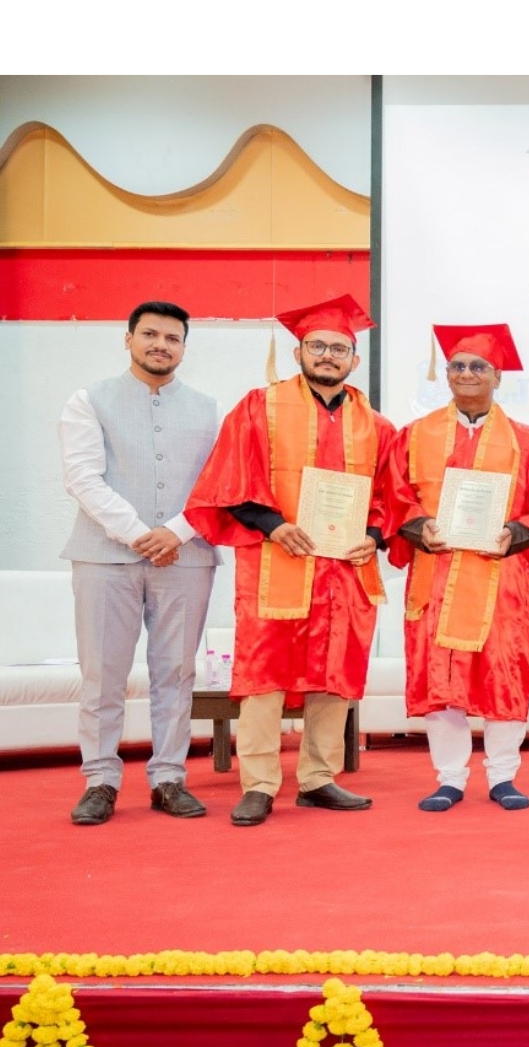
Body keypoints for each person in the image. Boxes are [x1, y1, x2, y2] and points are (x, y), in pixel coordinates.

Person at [185, 294, 395, 827]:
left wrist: (374, 536)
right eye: (317, 346)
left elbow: (390, 497)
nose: (328, 356)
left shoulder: (375, 425)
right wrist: (274, 525)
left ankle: (318, 778)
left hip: (344, 567)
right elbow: (230, 481)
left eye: (339, 349)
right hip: (277, 560)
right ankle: (258, 784)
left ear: (354, 360)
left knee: (334, 671)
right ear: (299, 351)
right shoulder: (260, 406)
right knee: (264, 673)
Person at [384, 324, 529, 812]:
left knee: (505, 671)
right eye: (457, 365)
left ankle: (503, 776)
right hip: (436, 572)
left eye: (478, 366)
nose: (466, 373)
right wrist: (419, 527)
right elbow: (393, 497)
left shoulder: (526, 441)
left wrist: (513, 533)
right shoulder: (415, 435)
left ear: (497, 376)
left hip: (502, 575)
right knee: (441, 677)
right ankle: (450, 778)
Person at [60, 300, 220, 825]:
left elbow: (216, 485)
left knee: (176, 672)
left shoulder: (208, 409)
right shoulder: (89, 401)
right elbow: (83, 478)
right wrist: (139, 535)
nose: (160, 345)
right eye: (150, 334)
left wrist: (176, 532)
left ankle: (169, 777)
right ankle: (100, 781)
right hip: (104, 558)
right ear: (128, 339)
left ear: (184, 349)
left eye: (172, 338)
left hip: (187, 557)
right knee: (102, 673)